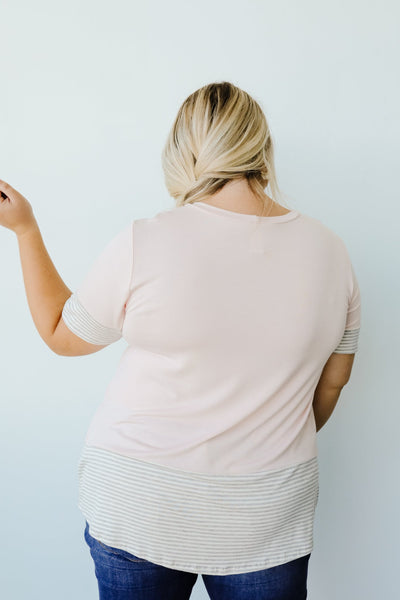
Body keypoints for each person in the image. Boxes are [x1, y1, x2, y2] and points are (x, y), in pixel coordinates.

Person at [0, 81, 361, 600]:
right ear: (261, 149)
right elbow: (332, 385)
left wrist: (25, 229)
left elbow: (62, 334)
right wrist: (261, 436)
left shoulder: (146, 239)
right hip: (266, 514)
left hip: (138, 504)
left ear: (184, 151)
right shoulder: (332, 252)